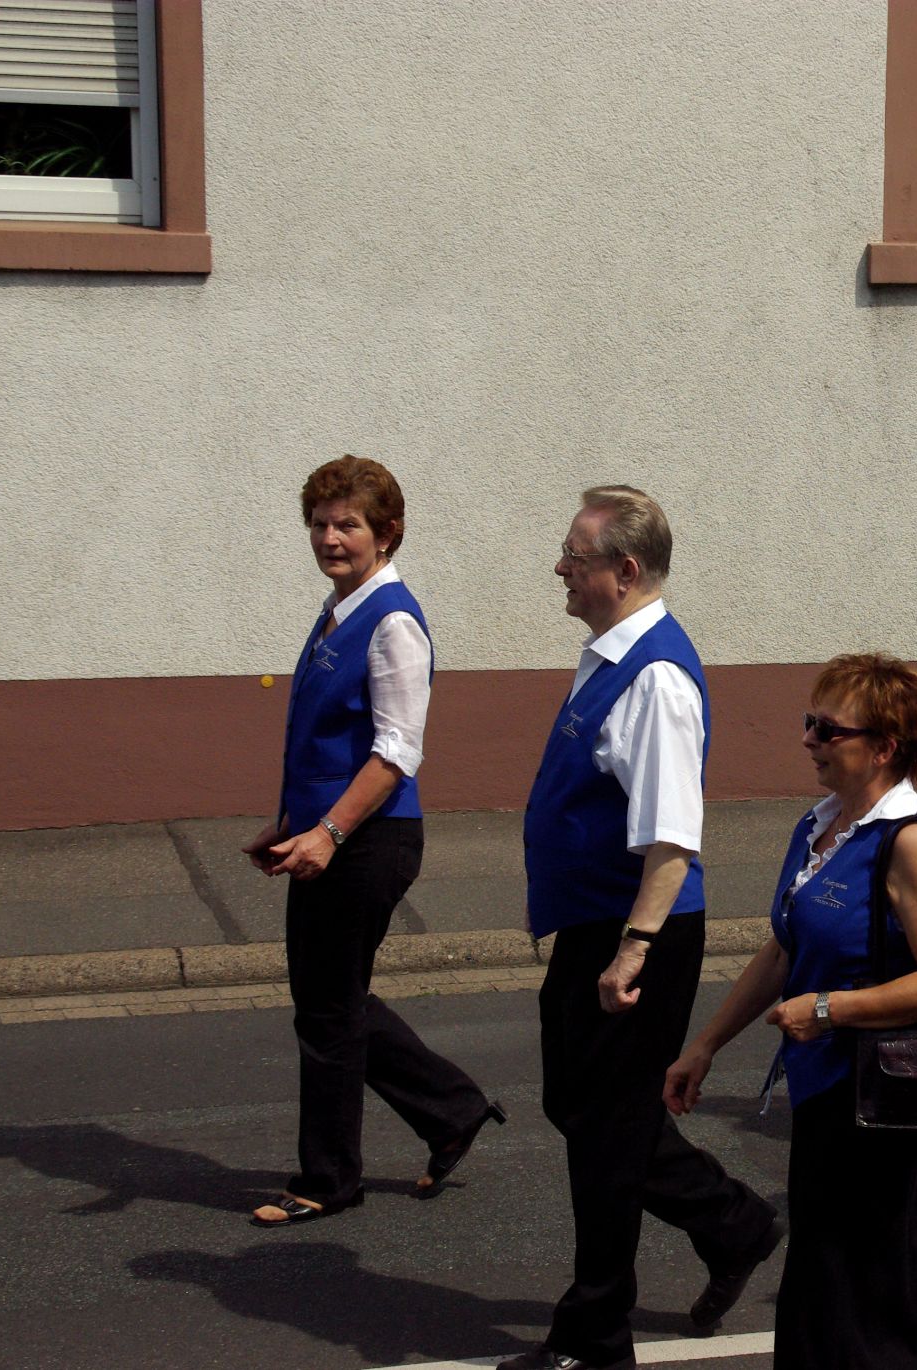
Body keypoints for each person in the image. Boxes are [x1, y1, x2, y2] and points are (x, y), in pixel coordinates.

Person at [511, 486, 780, 1370]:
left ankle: (595, 1335)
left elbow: (671, 836)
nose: (560, 567)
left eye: (574, 556)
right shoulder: (610, 655)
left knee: (605, 1134)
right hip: (600, 926)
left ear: (624, 572)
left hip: (635, 932)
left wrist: (636, 948)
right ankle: (733, 1223)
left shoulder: (657, 676)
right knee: (582, 1109)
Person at [665, 654, 917, 1370]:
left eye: (828, 730)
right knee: (826, 1286)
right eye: (810, 724)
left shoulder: (911, 842)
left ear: (885, 746)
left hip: (880, 1099)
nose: (809, 740)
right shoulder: (822, 826)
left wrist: (828, 1010)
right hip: (824, 1087)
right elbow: (782, 949)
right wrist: (705, 1044)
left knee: (866, 1294)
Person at [243, 455, 502, 1227]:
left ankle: (327, 1180)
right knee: (334, 1001)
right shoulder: (340, 609)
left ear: (386, 534)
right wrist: (290, 823)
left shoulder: (391, 621)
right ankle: (452, 1110)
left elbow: (397, 752)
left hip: (368, 839)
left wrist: (326, 831)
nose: (330, 537)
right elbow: (327, 738)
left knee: (325, 1012)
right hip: (330, 834)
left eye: (348, 524)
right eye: (321, 523)